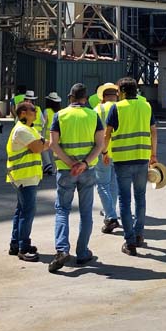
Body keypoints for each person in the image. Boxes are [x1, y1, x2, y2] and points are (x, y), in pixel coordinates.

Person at [47, 83, 106, 273]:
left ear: (70, 98)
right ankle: (82, 252)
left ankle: (62, 249)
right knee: (86, 212)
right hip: (87, 171)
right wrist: (84, 164)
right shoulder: (93, 116)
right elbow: (99, 145)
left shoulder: (60, 115)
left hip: (66, 171)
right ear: (86, 98)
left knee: (62, 210)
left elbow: (53, 145)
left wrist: (71, 163)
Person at [105, 77, 158, 256]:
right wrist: (153, 155)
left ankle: (129, 241)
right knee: (140, 198)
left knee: (125, 201)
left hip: (122, 160)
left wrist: (105, 153)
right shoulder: (146, 106)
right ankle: (139, 235)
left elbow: (107, 133)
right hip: (142, 159)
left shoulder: (117, 107)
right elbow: (153, 132)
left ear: (122, 91)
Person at [6, 101, 47, 262]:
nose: (36, 113)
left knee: (21, 210)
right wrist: (41, 143)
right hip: (25, 176)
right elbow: (39, 147)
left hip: (26, 176)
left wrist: (41, 143)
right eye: (33, 110)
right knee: (27, 212)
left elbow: (43, 144)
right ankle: (23, 247)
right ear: (23, 113)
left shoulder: (29, 129)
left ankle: (15, 243)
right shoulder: (22, 130)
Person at [94, 83, 121, 235]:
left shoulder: (98, 109)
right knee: (113, 184)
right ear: (115, 96)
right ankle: (109, 211)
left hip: (102, 151)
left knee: (102, 184)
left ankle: (110, 216)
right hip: (118, 152)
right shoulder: (121, 108)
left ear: (103, 97)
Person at [38, 91, 62, 175]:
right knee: (55, 153)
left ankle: (48, 165)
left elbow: (44, 123)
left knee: (44, 150)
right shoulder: (60, 111)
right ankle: (55, 169)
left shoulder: (46, 111)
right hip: (57, 134)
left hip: (48, 134)